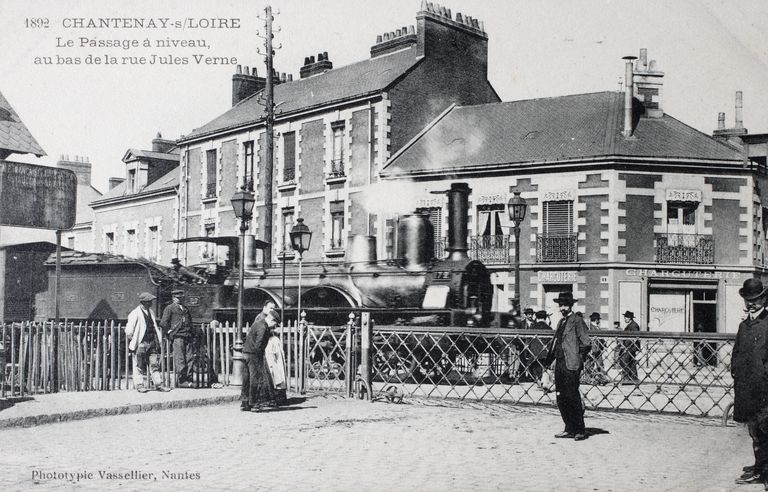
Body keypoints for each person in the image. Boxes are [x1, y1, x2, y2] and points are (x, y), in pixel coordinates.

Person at [732, 278, 768, 487]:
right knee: (754, 432)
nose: (751, 303)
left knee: (766, 430)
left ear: (763, 298)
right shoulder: (743, 326)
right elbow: (736, 353)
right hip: (746, 390)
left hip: (764, 389)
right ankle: (759, 470)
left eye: (755, 299)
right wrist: (735, 371)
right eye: (748, 299)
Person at [543, 292, 591, 441]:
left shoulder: (577, 320)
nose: (562, 307)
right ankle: (569, 428)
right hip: (560, 364)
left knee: (572, 396)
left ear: (570, 305)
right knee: (561, 397)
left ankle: (580, 430)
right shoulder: (560, 322)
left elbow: (586, 343)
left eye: (565, 305)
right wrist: (548, 360)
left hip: (571, 364)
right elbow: (556, 342)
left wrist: (578, 357)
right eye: (561, 305)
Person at [125, 292, 171, 393]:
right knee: (139, 365)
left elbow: (154, 326)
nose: (151, 303)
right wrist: (134, 340)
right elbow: (129, 330)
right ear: (143, 302)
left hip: (152, 342)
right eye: (149, 301)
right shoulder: (135, 313)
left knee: (154, 364)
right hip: (141, 343)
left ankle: (158, 384)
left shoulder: (151, 312)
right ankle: (140, 385)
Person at [241, 305, 279, 412]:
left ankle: (245, 403)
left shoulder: (257, 323)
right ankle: (254, 403)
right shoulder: (263, 327)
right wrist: (259, 357)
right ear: (271, 320)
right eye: (275, 324)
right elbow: (259, 344)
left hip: (246, 352)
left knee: (246, 379)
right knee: (255, 379)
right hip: (254, 355)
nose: (274, 327)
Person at [160, 289, 196, 388]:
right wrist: (169, 331)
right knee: (180, 359)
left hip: (187, 335)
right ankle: (181, 380)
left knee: (189, 358)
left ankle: (188, 379)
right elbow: (163, 323)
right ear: (173, 298)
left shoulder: (185, 309)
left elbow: (190, 322)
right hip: (178, 336)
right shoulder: (169, 308)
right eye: (177, 297)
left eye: (181, 297)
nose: (179, 299)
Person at [583, 312, 609, 385]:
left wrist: (604, 345)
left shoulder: (597, 327)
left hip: (598, 349)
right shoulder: (589, 327)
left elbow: (601, 338)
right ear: (596, 320)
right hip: (592, 349)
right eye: (598, 319)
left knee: (600, 364)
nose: (599, 321)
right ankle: (588, 378)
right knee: (589, 363)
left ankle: (601, 378)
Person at [265, 322, 288, 406]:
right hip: (272, 361)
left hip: (275, 362)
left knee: (278, 377)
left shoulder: (274, 340)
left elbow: (277, 355)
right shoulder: (269, 340)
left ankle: (278, 398)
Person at [618, 311, 640, 384]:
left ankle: (627, 378)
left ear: (629, 318)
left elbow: (634, 337)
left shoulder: (633, 325)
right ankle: (633, 378)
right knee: (631, 362)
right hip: (629, 347)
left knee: (625, 361)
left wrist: (626, 346)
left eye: (625, 318)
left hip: (630, 347)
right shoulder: (632, 325)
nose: (624, 319)